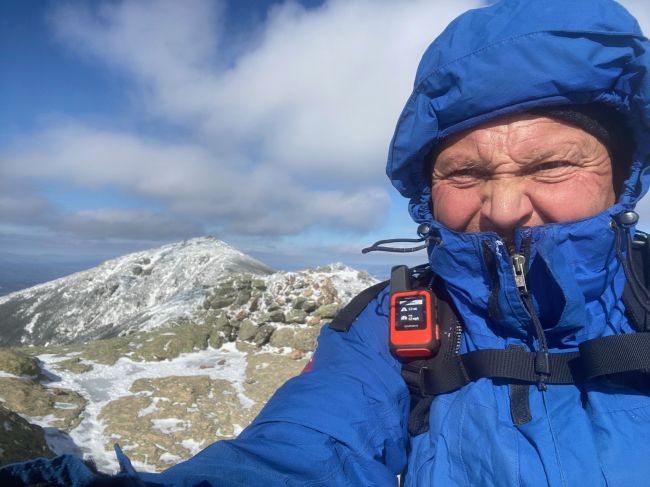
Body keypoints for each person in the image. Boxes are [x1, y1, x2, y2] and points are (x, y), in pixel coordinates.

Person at [3, 0, 650, 485]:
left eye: (551, 166)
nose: (505, 206)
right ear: (428, 191)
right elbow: (300, 453)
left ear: (619, 176)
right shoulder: (391, 327)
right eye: (467, 172)